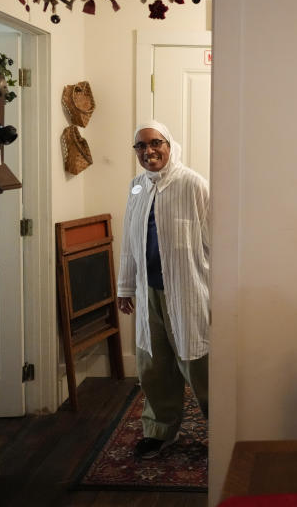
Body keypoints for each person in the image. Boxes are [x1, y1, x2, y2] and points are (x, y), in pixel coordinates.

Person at [117, 120, 210, 459]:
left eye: (156, 143)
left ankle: (223, 427)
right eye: (140, 146)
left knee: (198, 364)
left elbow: (215, 243)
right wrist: (125, 287)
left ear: (170, 146)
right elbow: (130, 239)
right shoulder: (137, 187)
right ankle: (159, 430)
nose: (148, 151)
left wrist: (216, 291)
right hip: (148, 292)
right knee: (153, 366)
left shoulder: (193, 185)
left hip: (187, 292)